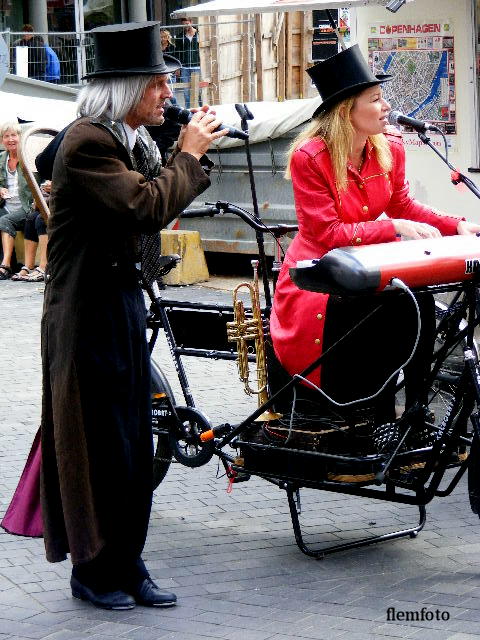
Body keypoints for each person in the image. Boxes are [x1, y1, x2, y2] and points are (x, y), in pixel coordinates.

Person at [32, 22, 226, 611]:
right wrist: (187, 155)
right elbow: (143, 205)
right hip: (83, 314)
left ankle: (128, 560)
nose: (168, 95)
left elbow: (148, 194)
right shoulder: (88, 143)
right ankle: (92, 571)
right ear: (126, 88)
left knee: (133, 443)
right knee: (96, 444)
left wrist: (180, 151)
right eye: (158, 85)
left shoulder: (126, 141)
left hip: (116, 304)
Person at [270, 45, 480, 422]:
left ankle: (415, 415)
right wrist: (393, 228)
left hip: (369, 266)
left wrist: (456, 225)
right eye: (376, 99)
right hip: (319, 276)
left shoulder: (390, 147)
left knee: (419, 308)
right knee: (376, 317)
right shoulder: (310, 157)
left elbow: (402, 204)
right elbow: (327, 234)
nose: (386, 107)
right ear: (345, 111)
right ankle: (365, 415)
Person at [0, 122, 32, 280]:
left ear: (20, 137)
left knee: (5, 220)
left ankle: (5, 265)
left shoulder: (28, 156)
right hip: (5, 205)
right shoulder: (1, 159)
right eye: (6, 136)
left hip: (25, 207)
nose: (10, 139)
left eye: (14, 135)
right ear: (2, 140)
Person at [11, 180, 49, 282]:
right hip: (51, 203)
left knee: (42, 219)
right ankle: (28, 266)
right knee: (31, 218)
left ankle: (44, 267)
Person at [174, 17, 201, 109]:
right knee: (186, 91)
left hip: (197, 66)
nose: (185, 26)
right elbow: (177, 53)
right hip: (185, 67)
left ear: (191, 22)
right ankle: (189, 111)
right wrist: (178, 68)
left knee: (199, 91)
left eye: (186, 24)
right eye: (183, 24)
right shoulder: (179, 36)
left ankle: (202, 109)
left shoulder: (199, 34)